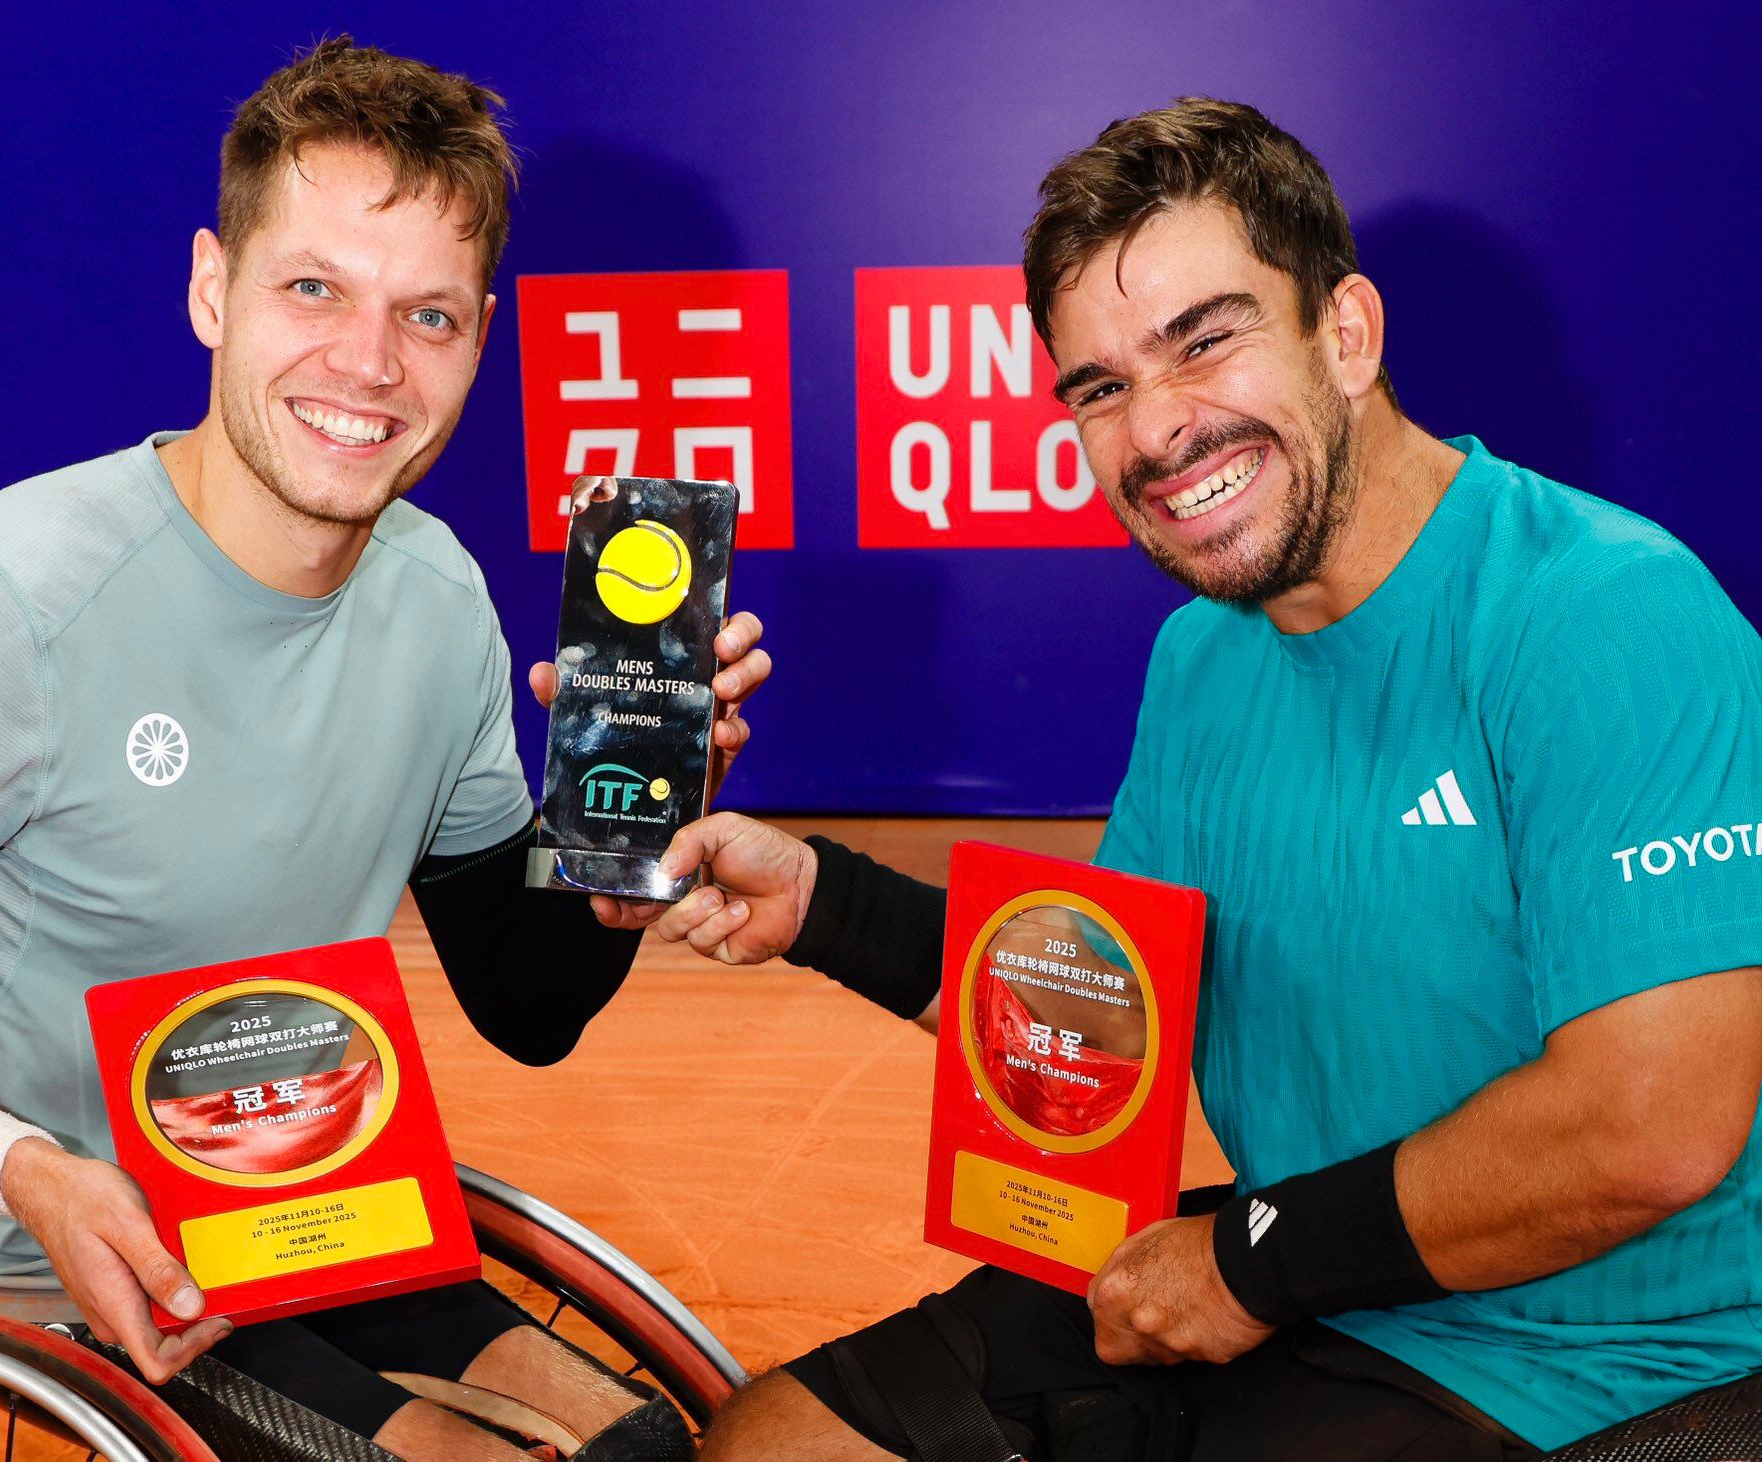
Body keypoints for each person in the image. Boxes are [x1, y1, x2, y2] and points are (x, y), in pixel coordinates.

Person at [617, 98, 1762, 1460]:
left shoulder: (1606, 615)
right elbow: (1107, 1019)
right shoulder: (1200, 659)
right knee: (775, 1438)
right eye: (1100, 386)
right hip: (1304, 1279)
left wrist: (1250, 1261)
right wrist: (816, 898)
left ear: (1346, 333)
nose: (1158, 429)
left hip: (1583, 1355)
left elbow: (1652, 1125)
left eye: (1203, 340)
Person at [0, 38, 767, 1462]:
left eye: (430, 316)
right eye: (313, 288)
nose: (369, 364)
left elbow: (527, 1004)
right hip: (46, 1242)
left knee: (649, 1445)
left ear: (480, 339)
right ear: (214, 289)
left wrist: (625, 847)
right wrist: (20, 1169)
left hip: (296, 1179)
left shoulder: (438, 595)